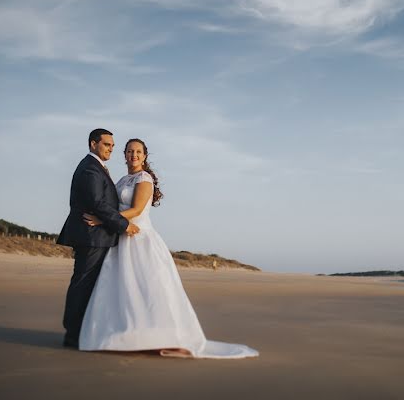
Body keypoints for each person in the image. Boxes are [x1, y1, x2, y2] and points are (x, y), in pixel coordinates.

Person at [79, 138, 258, 359]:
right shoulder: (123, 179)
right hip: (121, 239)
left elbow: (136, 210)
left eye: (138, 151)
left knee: (150, 290)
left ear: (144, 156)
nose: (133, 155)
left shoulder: (144, 179)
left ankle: (163, 337)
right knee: (124, 289)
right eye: (129, 151)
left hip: (140, 239)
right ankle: (128, 335)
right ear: (124, 155)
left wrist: (101, 220)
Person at [56, 128, 140, 349]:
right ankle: (73, 335)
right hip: (91, 236)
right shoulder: (90, 169)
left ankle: (81, 331)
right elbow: (98, 204)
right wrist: (124, 225)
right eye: (106, 144)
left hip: (97, 236)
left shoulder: (96, 167)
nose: (110, 149)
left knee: (88, 284)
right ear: (93, 144)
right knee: (83, 284)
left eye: (112, 145)